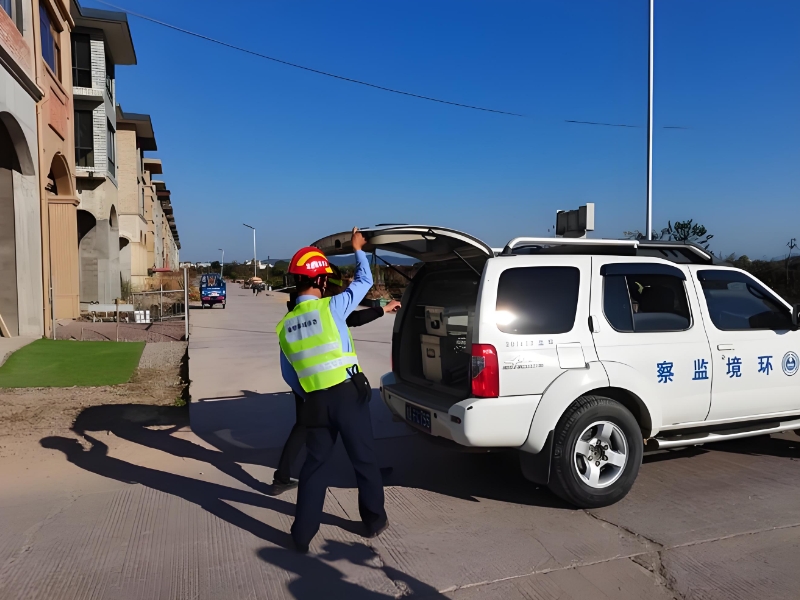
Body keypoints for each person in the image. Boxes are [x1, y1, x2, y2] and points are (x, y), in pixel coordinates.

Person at [276, 228, 388, 552]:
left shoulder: (284, 327)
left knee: (315, 466)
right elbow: (364, 281)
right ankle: (373, 520)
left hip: (314, 400)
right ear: (322, 282)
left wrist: (312, 392)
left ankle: (302, 534)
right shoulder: (331, 307)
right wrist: (357, 249)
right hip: (348, 395)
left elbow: (289, 375)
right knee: (363, 459)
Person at [272, 263, 400, 493]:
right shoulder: (328, 306)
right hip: (330, 384)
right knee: (349, 437)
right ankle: (369, 475)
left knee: (305, 429)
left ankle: (281, 477)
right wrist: (383, 309)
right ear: (323, 283)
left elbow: (287, 370)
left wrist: (307, 392)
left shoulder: (296, 311)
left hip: (307, 382)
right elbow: (355, 316)